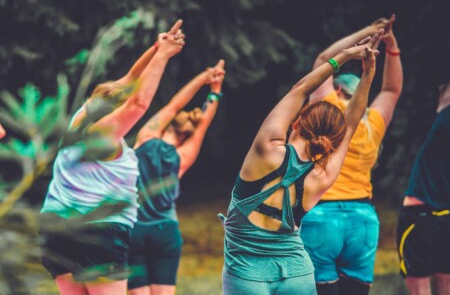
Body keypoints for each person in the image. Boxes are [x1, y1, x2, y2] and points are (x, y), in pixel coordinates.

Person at [219, 30, 383, 295]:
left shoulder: (266, 148)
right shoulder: (322, 175)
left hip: (247, 272)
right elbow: (351, 123)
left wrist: (341, 57)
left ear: (297, 121)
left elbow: (301, 89)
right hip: (297, 272)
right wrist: (369, 74)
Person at [39, 20, 185, 295]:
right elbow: (138, 102)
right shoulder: (102, 134)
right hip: (97, 232)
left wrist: (157, 48)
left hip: (55, 229)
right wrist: (163, 55)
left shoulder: (83, 115)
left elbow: (131, 78)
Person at [300, 15, 403, 295]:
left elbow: (324, 59)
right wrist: (391, 44)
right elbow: (392, 89)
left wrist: (370, 30)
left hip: (320, 215)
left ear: (336, 87)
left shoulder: (327, 107)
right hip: (363, 219)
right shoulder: (371, 121)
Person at [127, 60, 226, 295]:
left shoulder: (146, 138)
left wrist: (203, 77)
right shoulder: (182, 157)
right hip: (166, 232)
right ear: (186, 135)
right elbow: (203, 125)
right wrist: (215, 91)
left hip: (135, 229)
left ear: (170, 125)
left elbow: (175, 104)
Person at [397, 79, 450, 295]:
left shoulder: (444, 121)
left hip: (421, 215)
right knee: (446, 284)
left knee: (420, 288)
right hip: (447, 214)